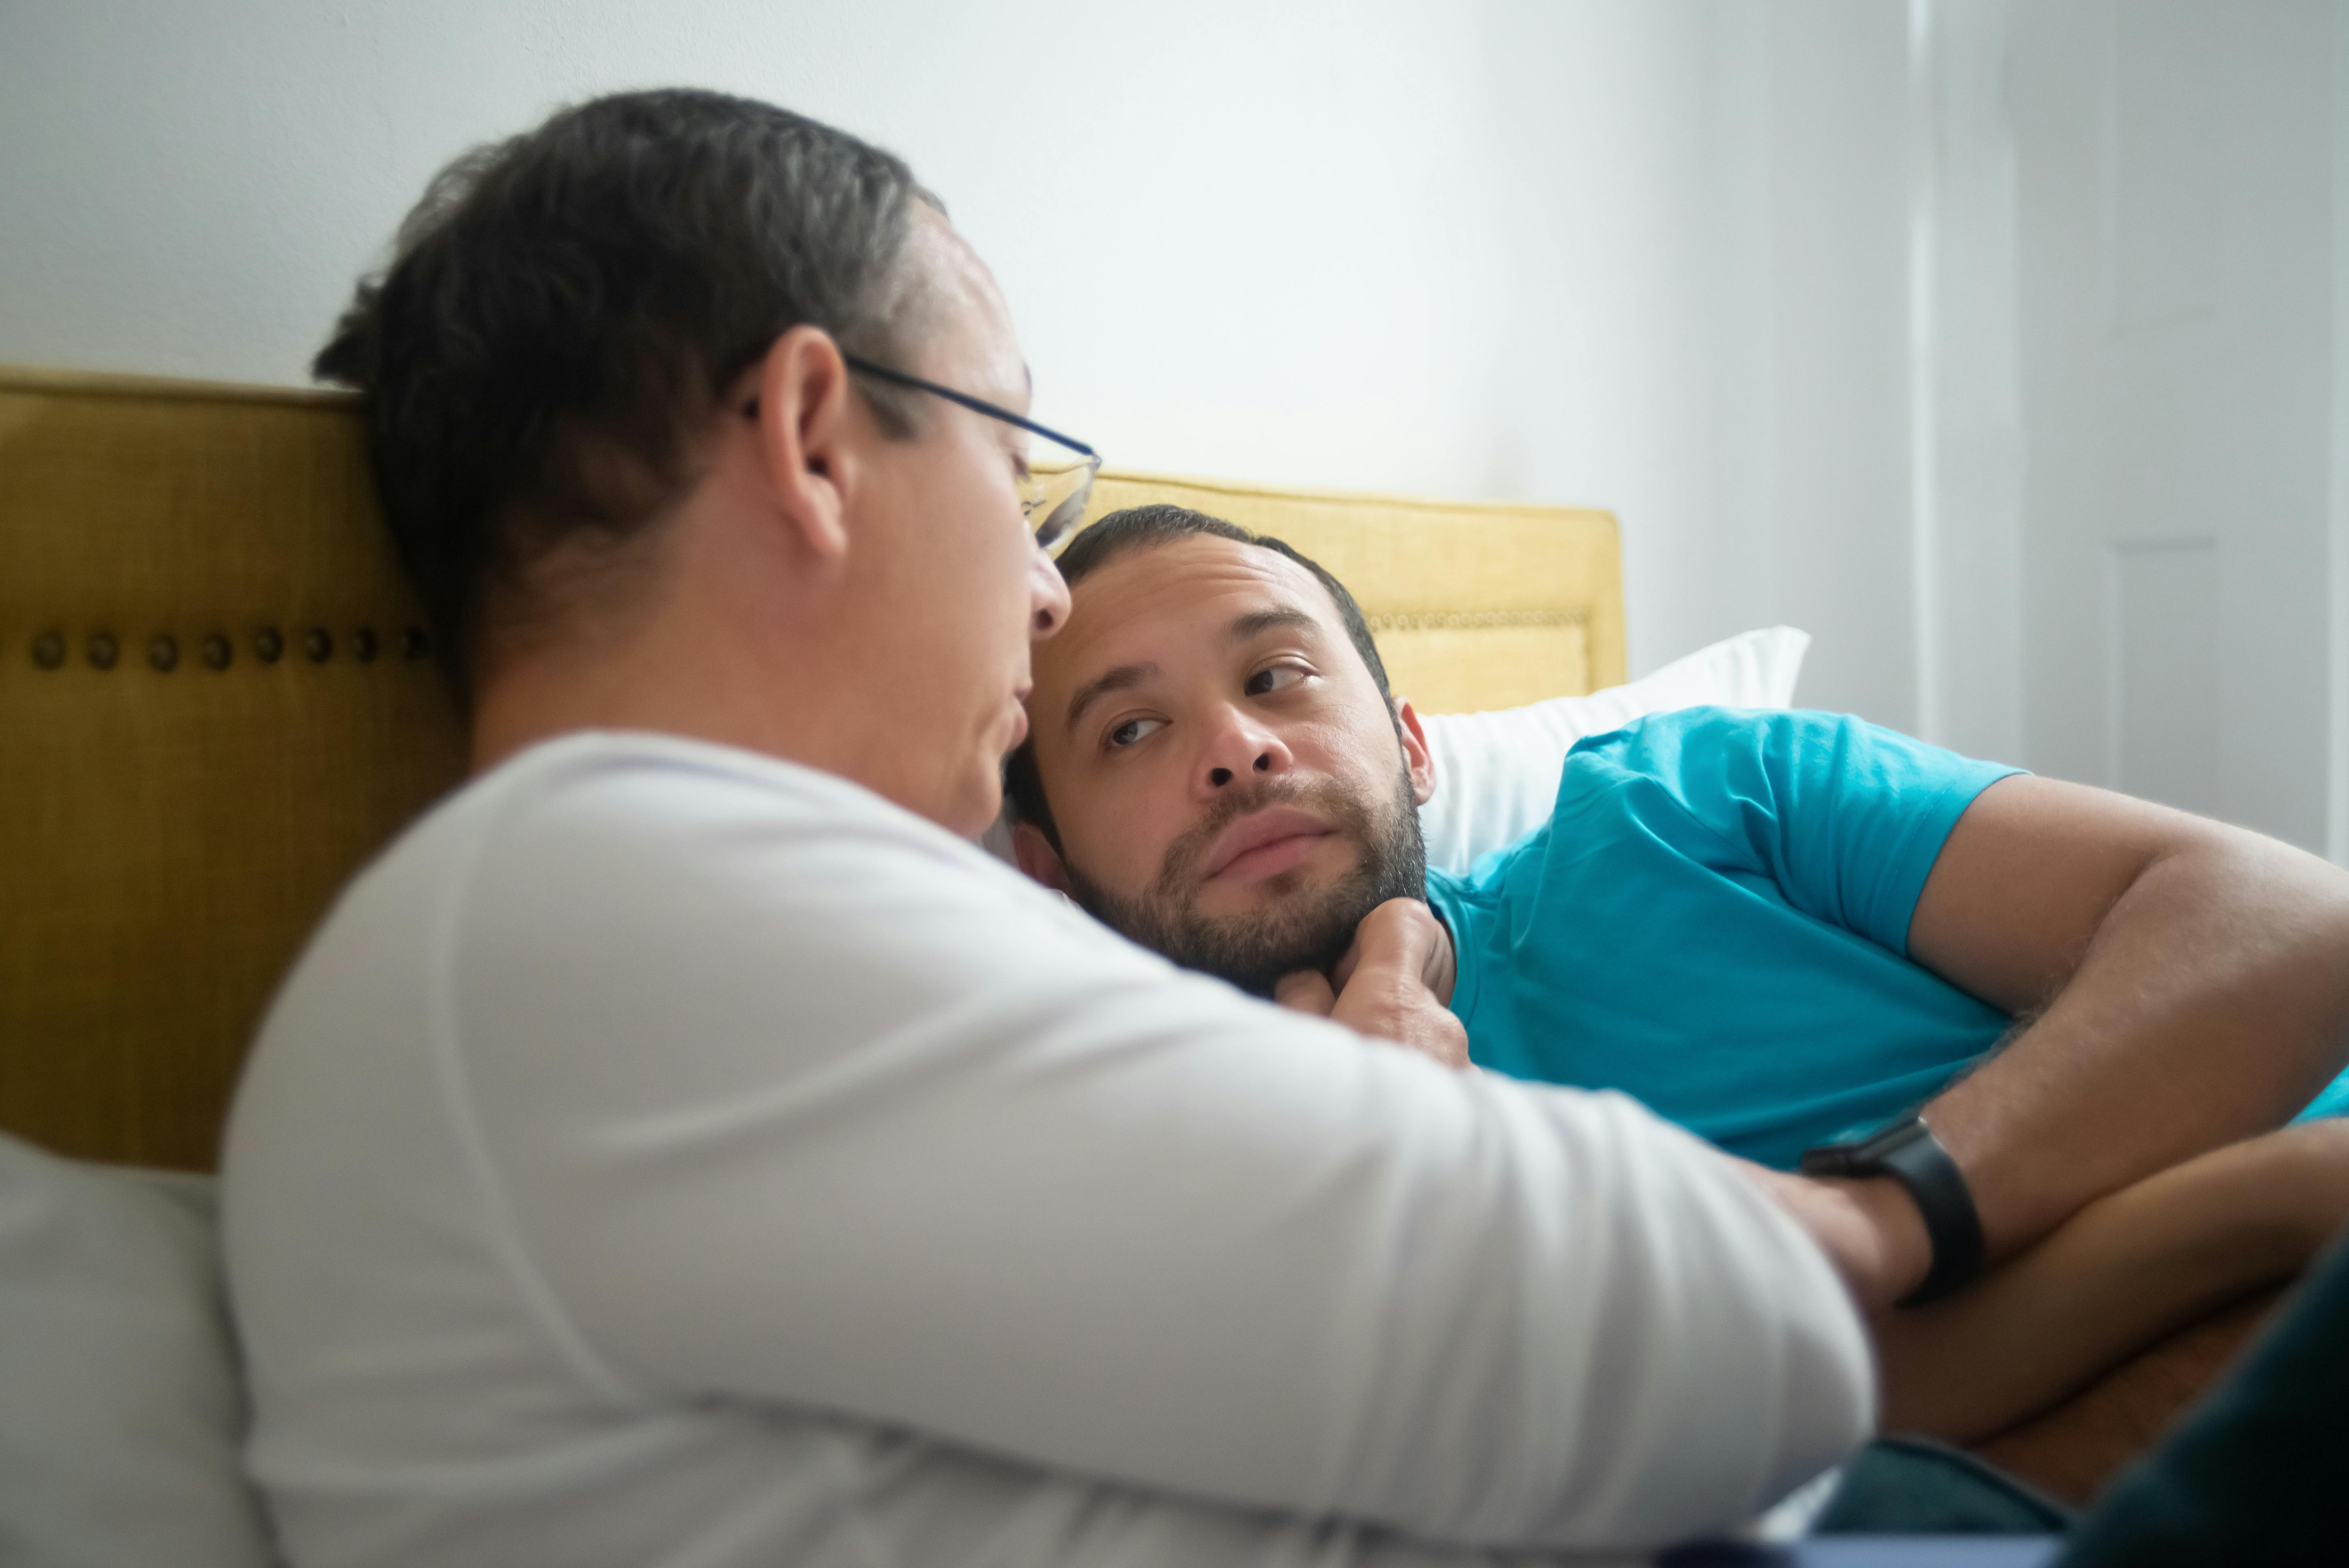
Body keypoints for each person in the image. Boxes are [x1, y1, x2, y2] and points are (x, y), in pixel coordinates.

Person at [220, 90, 1899, 1568]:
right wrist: (1384, 1095)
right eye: (1020, 478)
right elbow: (1727, 1346)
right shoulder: (607, 903)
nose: (1041, 594)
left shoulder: (583, 926)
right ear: (816, 441)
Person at [1003, 503, 2349, 1442]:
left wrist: (1883, 1220)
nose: (1238, 747)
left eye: (1282, 674)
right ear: (1049, 869)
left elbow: (2292, 922)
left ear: (1416, 750)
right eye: (1129, 729)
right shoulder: (1158, 1174)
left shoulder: (1697, 797)